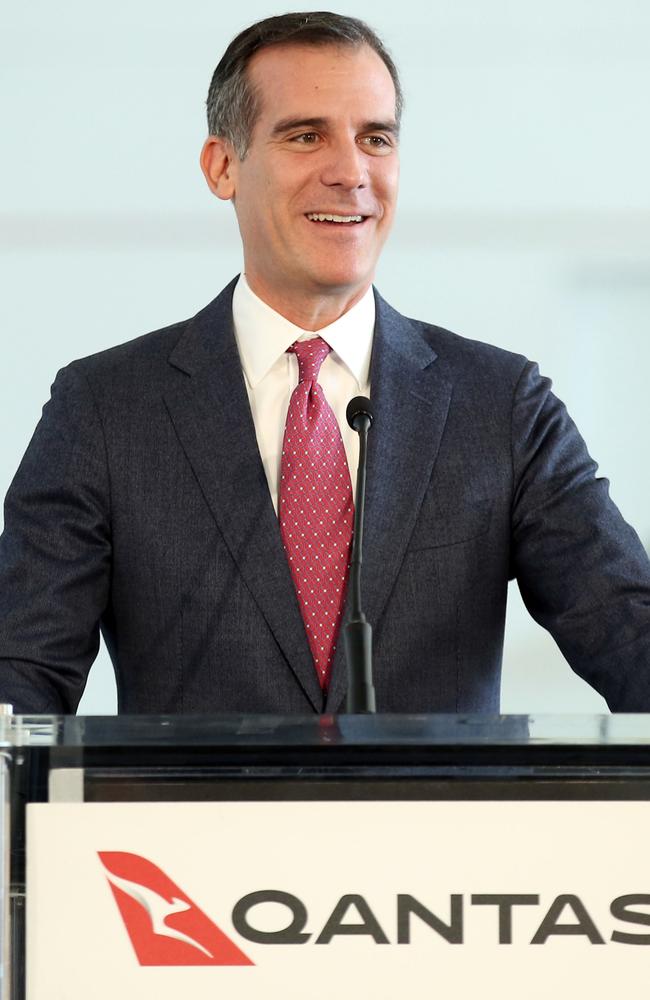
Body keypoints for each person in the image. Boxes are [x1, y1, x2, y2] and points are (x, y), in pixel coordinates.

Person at [1, 12, 649, 716]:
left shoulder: (502, 405)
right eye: (306, 136)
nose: (350, 173)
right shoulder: (103, 409)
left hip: (434, 828)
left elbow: (626, 629)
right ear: (223, 166)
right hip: (194, 827)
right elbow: (20, 677)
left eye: (376, 138)